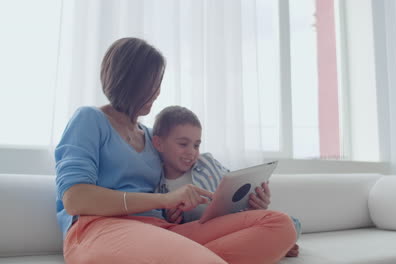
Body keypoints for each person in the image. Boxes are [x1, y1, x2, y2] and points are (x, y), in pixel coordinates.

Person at [55, 37, 296, 264]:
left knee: (280, 224)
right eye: (151, 84)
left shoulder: (152, 136)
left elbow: (181, 172)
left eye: (158, 84)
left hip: (162, 229)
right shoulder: (89, 119)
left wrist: (241, 201)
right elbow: (76, 199)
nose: (157, 92)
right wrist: (165, 199)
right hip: (100, 228)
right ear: (127, 82)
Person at [152, 105, 301, 257]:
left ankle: (269, 244)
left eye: (196, 145)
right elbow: (168, 228)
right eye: (183, 144)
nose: (191, 151)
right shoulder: (159, 187)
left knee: (292, 222)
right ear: (159, 144)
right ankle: (271, 246)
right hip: (209, 234)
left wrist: (255, 203)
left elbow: (234, 184)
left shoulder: (207, 163)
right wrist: (171, 219)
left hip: (237, 223)